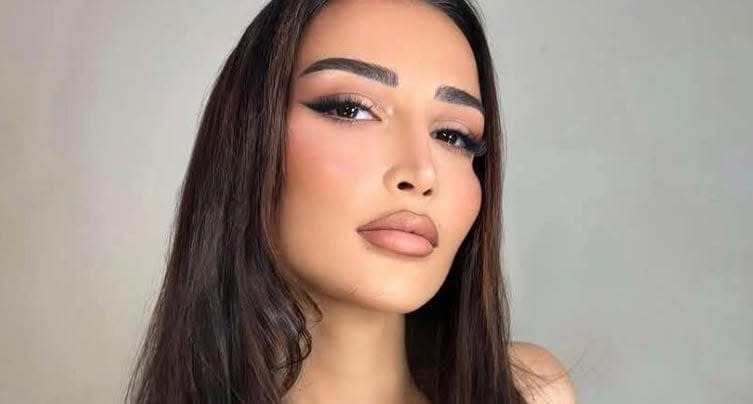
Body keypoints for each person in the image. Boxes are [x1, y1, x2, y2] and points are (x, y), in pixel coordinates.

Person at [125, 1, 576, 403]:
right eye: (350, 109)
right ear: (249, 140)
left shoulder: (530, 392)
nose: (421, 173)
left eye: (453, 135)